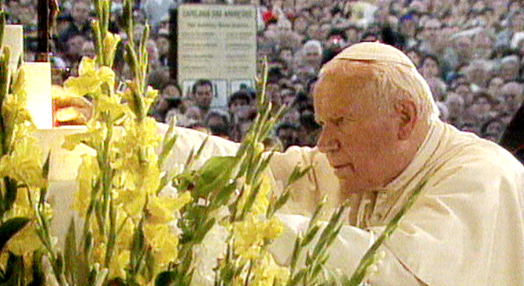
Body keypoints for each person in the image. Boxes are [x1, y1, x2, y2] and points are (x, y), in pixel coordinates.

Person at [268, 42, 524, 285]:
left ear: (404, 118)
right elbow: (267, 171)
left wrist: (263, 231)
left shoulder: (482, 176)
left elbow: (397, 272)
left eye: (340, 122)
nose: (324, 143)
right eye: (323, 124)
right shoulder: (364, 166)